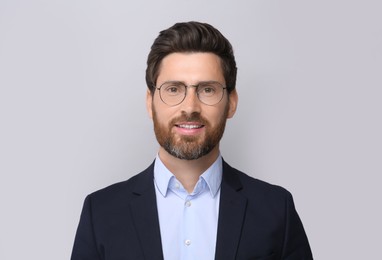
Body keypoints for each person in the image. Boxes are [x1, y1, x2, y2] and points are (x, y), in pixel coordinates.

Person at [71, 21, 313, 260]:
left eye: (207, 89)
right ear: (149, 102)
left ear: (232, 102)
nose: (190, 107)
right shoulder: (101, 213)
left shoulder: (276, 210)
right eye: (174, 89)